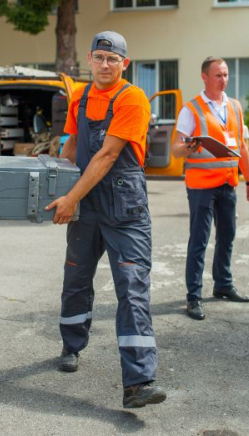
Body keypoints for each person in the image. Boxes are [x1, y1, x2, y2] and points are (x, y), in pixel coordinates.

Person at [45, 31, 166, 409]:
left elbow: (106, 156)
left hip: (124, 206)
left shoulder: (132, 98)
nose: (105, 65)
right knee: (76, 277)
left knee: (132, 287)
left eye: (113, 60)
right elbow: (72, 144)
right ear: (90, 59)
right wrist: (55, 179)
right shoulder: (80, 96)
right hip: (86, 201)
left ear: (124, 64)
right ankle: (71, 345)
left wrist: (70, 198)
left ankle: (138, 382)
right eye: (99, 57)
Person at [171, 57, 249, 321]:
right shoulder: (191, 109)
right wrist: (188, 146)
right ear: (204, 77)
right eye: (218, 75)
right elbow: (175, 148)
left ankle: (223, 284)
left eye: (226, 74)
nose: (224, 80)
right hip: (201, 187)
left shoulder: (234, 106)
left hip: (228, 183)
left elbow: (242, 147)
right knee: (199, 240)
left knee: (227, 236)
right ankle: (194, 297)